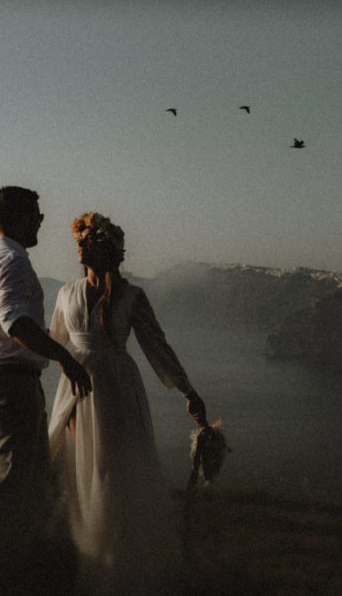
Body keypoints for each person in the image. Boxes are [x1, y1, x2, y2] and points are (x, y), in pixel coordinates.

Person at [47, 211, 208, 594]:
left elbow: (157, 346)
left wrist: (188, 391)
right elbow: (51, 341)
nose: (80, 246)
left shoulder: (133, 297)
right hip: (77, 391)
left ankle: (122, 570)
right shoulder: (66, 293)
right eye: (78, 241)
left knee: (118, 474)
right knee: (83, 473)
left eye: (87, 240)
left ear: (107, 249)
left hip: (119, 391)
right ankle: (90, 562)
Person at [0, 186, 92, 595]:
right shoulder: (13, 262)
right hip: (11, 384)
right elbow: (17, 323)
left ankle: (11, 569)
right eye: (37, 214)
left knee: (29, 483)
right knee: (14, 485)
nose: (42, 220)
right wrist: (64, 357)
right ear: (20, 218)